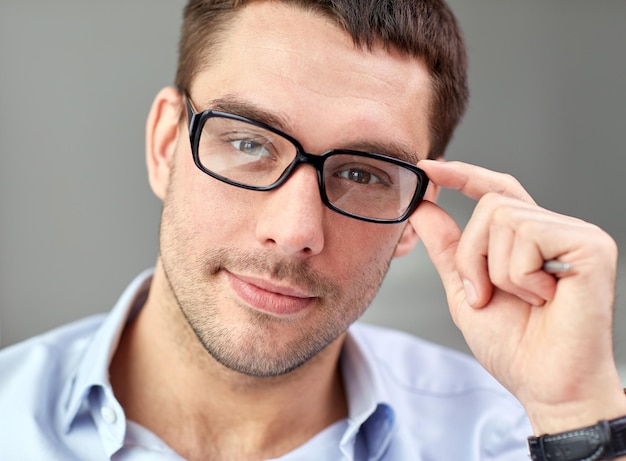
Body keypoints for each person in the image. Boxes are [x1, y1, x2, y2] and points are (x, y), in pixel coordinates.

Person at [1, 0, 624, 459]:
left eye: (363, 173)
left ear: (414, 215)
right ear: (167, 145)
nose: (295, 230)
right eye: (248, 142)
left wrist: (576, 412)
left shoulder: (520, 438)